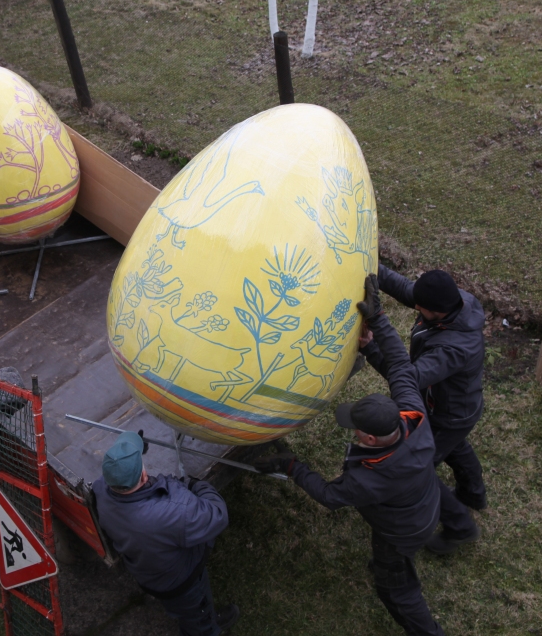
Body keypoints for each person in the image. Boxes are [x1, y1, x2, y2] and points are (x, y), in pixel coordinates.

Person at [257, 274, 462, 636]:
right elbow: (400, 367)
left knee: (395, 589)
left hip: (402, 532)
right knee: (395, 550)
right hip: (422, 506)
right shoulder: (414, 418)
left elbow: (329, 495)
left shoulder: (369, 479)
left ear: (368, 437)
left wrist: (291, 465)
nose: (351, 429)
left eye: (354, 427)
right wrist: (379, 323)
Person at [360, 265, 486, 554]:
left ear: (438, 312)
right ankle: (473, 495)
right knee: (455, 448)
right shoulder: (456, 302)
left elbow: (407, 379)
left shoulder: (454, 349)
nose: (415, 307)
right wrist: (368, 264)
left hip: (448, 415)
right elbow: (408, 290)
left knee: (420, 471)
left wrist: (371, 348)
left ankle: (460, 527)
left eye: (421, 308)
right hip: (457, 408)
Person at [92, 431, 239, 636]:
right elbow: (218, 515)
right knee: (197, 616)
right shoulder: (172, 511)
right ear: (144, 475)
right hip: (181, 584)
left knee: (179, 609)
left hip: (148, 574)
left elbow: (120, 461)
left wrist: (134, 446)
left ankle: (199, 619)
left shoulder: (101, 488)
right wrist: (196, 485)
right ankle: (206, 626)